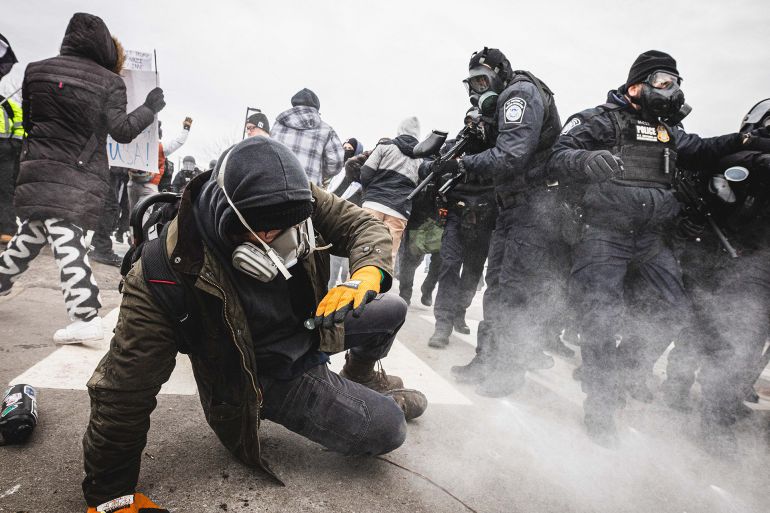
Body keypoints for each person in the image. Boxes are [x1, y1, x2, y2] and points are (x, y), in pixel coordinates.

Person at [81, 137, 427, 511]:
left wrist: (369, 272)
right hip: (265, 375)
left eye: (293, 226)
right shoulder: (163, 273)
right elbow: (123, 390)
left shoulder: (293, 198)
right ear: (229, 218)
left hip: (311, 326)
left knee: (392, 306)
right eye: (268, 233)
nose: (286, 242)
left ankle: (360, 377)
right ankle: (360, 401)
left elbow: (360, 223)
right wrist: (111, 498)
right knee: (389, 426)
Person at [547, 50, 764, 445]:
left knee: (672, 310)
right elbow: (556, 156)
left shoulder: (665, 131)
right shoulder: (600, 119)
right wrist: (585, 159)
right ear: (636, 85)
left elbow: (700, 149)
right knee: (600, 317)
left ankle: (618, 372)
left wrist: (744, 139)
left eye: (677, 83)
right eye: (664, 81)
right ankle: (600, 401)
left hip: (650, 240)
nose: (672, 90)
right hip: (604, 234)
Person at [0, 12, 163, 343]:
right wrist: (149, 108)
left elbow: (32, 122)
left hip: (39, 165)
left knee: (33, 231)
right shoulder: (109, 82)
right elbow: (122, 132)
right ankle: (85, 314)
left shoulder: (35, 70)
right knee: (65, 235)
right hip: (78, 171)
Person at [446, 48, 563, 397]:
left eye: (482, 81)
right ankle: (486, 360)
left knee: (514, 291)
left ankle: (508, 372)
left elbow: (511, 155)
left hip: (535, 207)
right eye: (471, 84)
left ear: (500, 73)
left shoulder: (519, 94)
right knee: (496, 284)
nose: (477, 90)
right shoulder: (503, 104)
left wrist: (464, 164)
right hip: (512, 206)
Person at [662, 99, 770, 448]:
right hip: (736, 260)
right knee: (731, 336)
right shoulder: (742, 156)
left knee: (740, 340)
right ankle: (712, 418)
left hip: (747, 259)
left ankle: (725, 402)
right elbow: (732, 163)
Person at [428, 109, 497, 347]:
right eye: (469, 120)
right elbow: (426, 167)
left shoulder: (497, 147)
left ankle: (459, 312)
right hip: (456, 215)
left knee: (472, 274)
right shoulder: (454, 146)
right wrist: (437, 167)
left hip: (485, 218)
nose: (474, 125)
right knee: (448, 267)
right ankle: (442, 325)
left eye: (479, 120)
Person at [360, 117, 422, 261]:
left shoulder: (385, 146)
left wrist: (370, 193)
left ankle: (359, 282)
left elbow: (365, 173)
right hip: (399, 211)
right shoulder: (420, 159)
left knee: (363, 249)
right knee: (388, 256)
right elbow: (420, 190)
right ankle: (381, 283)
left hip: (373, 204)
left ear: (400, 130)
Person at [270, 88, 344, 186]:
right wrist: (316, 169)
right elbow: (336, 164)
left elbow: (269, 154)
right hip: (307, 191)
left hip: (275, 187)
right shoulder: (326, 130)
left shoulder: (278, 125)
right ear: (316, 109)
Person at [128, 118, 191, 212]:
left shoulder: (135, 144)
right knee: (143, 213)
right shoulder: (161, 147)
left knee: (131, 212)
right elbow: (179, 142)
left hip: (133, 182)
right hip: (149, 185)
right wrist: (186, 129)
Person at [327, 137, 364, 288]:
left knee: (346, 261)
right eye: (344, 148)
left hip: (350, 219)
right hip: (335, 218)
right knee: (333, 259)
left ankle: (344, 282)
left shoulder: (359, 174)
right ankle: (330, 285)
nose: (345, 151)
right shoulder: (337, 171)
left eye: (349, 149)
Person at [0, 33, 23, 244]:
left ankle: (7, 228)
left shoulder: (7, 102)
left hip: (5, 149)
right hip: (8, 148)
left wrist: (16, 143)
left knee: (5, 189)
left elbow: (18, 122)